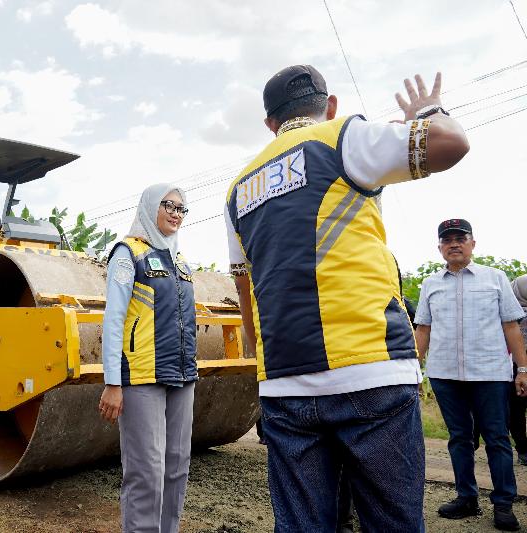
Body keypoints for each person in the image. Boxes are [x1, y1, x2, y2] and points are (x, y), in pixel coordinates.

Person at [224, 65, 469, 531]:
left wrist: (265, 364)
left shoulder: (238, 189)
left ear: (270, 123)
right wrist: (428, 113)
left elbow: (244, 288)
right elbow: (451, 143)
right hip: (370, 370)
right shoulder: (344, 137)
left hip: (285, 383)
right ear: (330, 105)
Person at [415, 220, 527, 531]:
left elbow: (511, 326)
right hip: (444, 374)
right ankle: (466, 497)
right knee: (459, 439)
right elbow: (423, 329)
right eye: (447, 239)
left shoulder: (495, 278)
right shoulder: (430, 284)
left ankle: (503, 503)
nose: (454, 243)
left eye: (460, 238)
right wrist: (415, 370)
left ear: (472, 244)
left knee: (497, 438)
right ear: (440, 247)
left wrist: (522, 369)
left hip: (490, 373)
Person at [98, 183, 197, 533]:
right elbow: (113, 319)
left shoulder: (181, 261)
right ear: (150, 206)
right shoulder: (128, 254)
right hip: (141, 377)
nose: (175, 213)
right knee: (147, 470)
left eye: (181, 208)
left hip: (182, 376)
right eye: (168, 205)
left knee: (177, 465)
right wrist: (113, 382)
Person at [511, 274, 527, 465]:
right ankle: (523, 448)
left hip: (515, 365)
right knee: (516, 409)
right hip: (517, 366)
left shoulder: (507, 313)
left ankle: (523, 448)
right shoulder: (508, 314)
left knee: (516, 409)